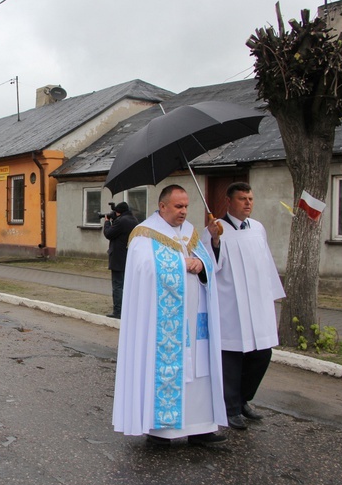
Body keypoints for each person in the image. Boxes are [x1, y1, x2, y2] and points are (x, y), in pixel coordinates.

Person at [112, 185, 227, 445]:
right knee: (168, 368)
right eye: (178, 206)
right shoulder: (144, 235)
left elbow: (207, 261)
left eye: (186, 206)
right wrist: (180, 264)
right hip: (163, 322)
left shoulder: (191, 233)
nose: (184, 211)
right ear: (162, 206)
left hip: (195, 317)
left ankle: (200, 427)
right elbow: (143, 269)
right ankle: (161, 430)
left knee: (199, 370)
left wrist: (202, 262)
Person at [202, 182, 285, 431]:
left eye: (250, 198)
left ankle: (244, 399)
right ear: (229, 201)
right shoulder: (214, 230)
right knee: (233, 357)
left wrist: (271, 293)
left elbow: (266, 262)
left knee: (261, 354)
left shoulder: (258, 228)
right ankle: (230, 408)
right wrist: (215, 241)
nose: (248, 203)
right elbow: (209, 266)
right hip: (231, 305)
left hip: (257, 303)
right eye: (242, 199)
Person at [103, 202, 139, 319]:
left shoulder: (120, 221)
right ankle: (129, 310)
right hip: (130, 257)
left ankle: (118, 311)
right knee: (127, 285)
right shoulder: (134, 220)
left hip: (118, 258)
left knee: (118, 285)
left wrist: (107, 222)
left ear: (118, 212)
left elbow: (109, 234)